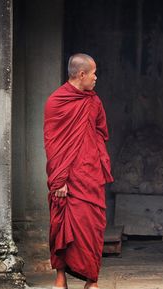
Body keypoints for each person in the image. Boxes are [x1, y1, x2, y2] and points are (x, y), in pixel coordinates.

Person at [44, 53, 113, 289]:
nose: (96, 78)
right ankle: (60, 278)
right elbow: (52, 143)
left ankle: (92, 281)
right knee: (61, 226)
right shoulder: (56, 102)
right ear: (81, 74)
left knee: (93, 226)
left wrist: (92, 150)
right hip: (67, 177)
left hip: (90, 174)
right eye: (93, 73)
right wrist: (59, 179)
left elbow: (102, 131)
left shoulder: (94, 102)